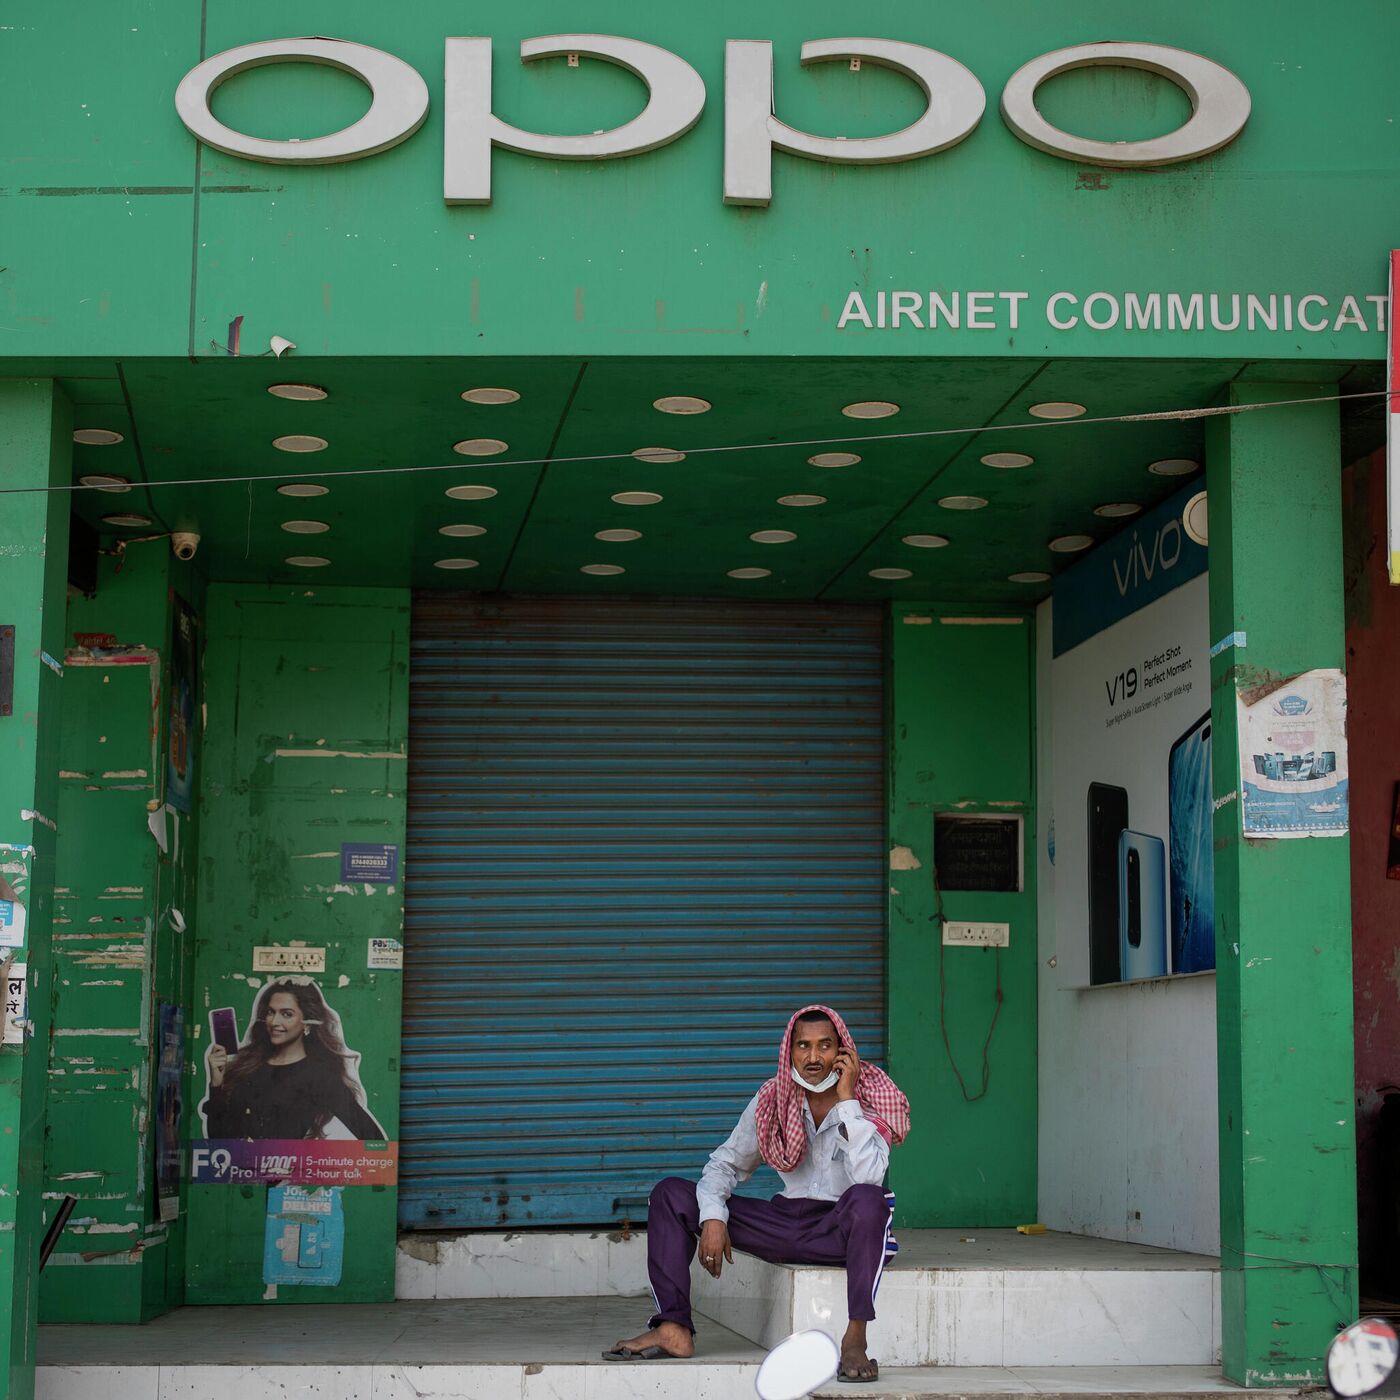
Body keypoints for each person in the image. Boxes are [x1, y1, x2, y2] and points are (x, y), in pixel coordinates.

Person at [606, 1003, 910, 1383]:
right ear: (790, 1051)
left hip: (839, 1231)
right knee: (670, 1194)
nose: (813, 1057)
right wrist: (713, 1217)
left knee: (869, 1200)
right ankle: (673, 1327)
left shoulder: (869, 1099)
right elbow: (725, 1164)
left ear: (842, 1051)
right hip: (783, 1224)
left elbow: (870, 1176)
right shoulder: (773, 1099)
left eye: (825, 1045)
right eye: (803, 1046)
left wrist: (848, 1100)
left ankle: (855, 1338)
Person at [201, 977, 385, 1140]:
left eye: (287, 1014)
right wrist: (216, 1084)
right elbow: (218, 1139)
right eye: (270, 1012)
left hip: (289, 1169)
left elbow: (373, 1138)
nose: (274, 1022)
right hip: (244, 1167)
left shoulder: (321, 1077)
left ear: (307, 1024)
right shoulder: (247, 1068)